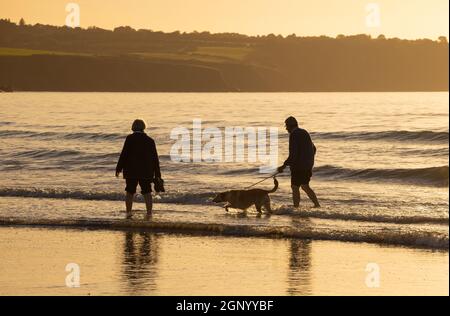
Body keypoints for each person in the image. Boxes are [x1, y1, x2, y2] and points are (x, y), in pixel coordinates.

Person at [116, 119, 162, 215]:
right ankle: (149, 213)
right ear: (143, 127)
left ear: (133, 127)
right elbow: (155, 159)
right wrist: (158, 174)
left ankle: (128, 212)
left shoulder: (129, 139)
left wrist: (118, 168)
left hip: (131, 171)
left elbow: (124, 154)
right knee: (147, 192)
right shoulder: (150, 140)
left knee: (129, 192)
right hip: (146, 171)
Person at [278, 116, 320, 208]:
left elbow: (293, 153)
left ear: (289, 126)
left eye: (286, 126)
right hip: (308, 165)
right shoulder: (304, 132)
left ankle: (296, 207)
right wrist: (309, 159)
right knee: (305, 186)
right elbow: (314, 148)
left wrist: (284, 165)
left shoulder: (294, 135)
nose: (286, 128)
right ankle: (317, 205)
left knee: (295, 187)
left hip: (299, 166)